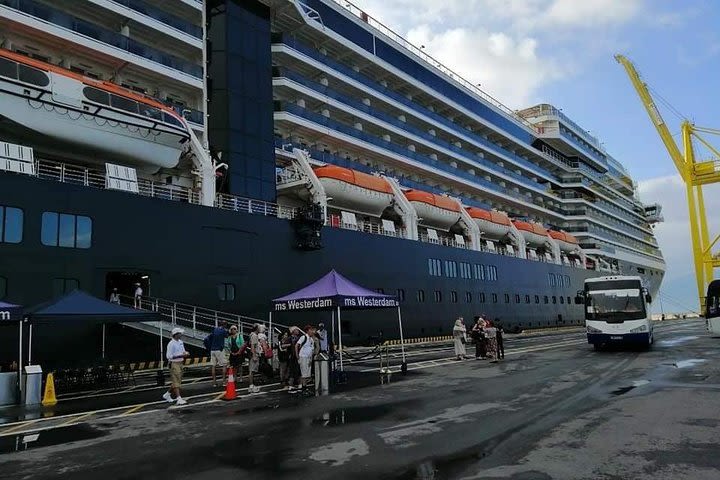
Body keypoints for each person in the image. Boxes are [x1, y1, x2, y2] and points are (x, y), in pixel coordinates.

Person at [163, 327, 190, 405]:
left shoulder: (180, 342)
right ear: (176, 335)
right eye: (180, 333)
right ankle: (178, 398)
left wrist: (185, 353)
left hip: (180, 362)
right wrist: (181, 355)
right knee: (176, 381)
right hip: (174, 363)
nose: (181, 334)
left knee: (177, 380)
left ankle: (167, 394)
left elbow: (183, 351)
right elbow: (169, 356)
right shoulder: (171, 344)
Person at [296, 325, 315, 394]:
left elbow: (312, 350)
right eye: (311, 330)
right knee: (304, 374)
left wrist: (311, 359)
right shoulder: (303, 337)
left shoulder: (311, 339)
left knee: (307, 374)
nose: (312, 331)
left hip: (308, 358)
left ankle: (305, 387)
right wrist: (297, 356)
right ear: (307, 331)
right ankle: (303, 389)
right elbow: (296, 345)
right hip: (303, 357)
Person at [208, 321, 229, 387]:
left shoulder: (215, 329)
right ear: (225, 325)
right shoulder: (223, 330)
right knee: (224, 365)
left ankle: (214, 382)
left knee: (213, 366)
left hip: (212, 349)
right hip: (219, 350)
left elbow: (210, 336)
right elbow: (227, 336)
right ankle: (224, 382)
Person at [247, 324, 261, 394]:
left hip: (253, 354)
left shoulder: (251, 335)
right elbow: (252, 346)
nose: (260, 329)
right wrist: (254, 356)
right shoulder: (254, 336)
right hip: (254, 354)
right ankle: (251, 386)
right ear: (256, 329)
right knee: (252, 371)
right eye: (259, 328)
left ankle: (252, 385)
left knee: (252, 370)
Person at [287, 326, 302, 393]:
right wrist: (290, 345)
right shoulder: (289, 338)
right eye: (296, 330)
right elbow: (283, 345)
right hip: (293, 356)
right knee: (292, 371)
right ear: (293, 331)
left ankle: (299, 384)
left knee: (298, 370)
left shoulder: (299, 338)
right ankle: (291, 385)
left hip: (296, 356)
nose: (298, 331)